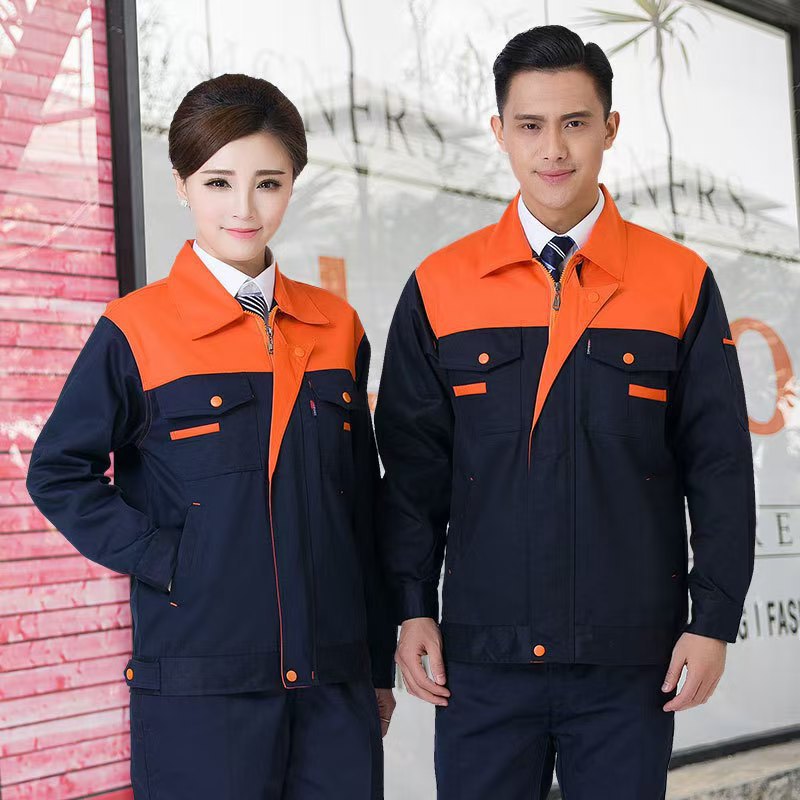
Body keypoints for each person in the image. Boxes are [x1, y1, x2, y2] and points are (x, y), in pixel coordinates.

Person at [375, 25, 755, 800]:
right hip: (482, 663)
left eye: (575, 123)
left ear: (609, 129)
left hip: (629, 663)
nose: (553, 149)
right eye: (530, 125)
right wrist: (410, 609)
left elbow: (719, 466)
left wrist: (712, 618)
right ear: (500, 132)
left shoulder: (678, 281)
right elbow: (412, 475)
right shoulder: (442, 286)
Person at [26, 73, 395, 800]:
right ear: (181, 184)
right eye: (218, 182)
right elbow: (57, 472)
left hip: (333, 686)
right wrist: (170, 558)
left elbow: (360, 504)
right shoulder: (136, 330)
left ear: (292, 185)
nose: (244, 208)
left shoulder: (336, 327)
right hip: (201, 690)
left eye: (268, 183)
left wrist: (375, 662)